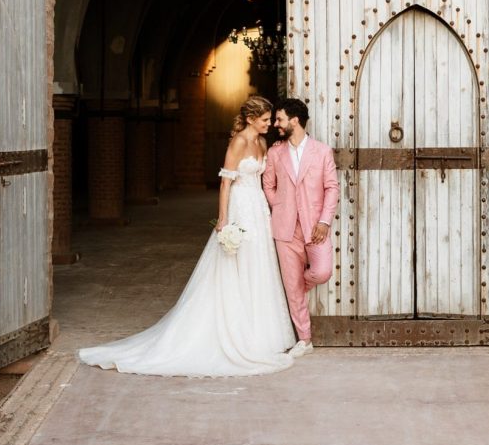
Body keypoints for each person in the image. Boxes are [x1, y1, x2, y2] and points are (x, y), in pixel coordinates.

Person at [78, 96, 296, 376]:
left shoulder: (263, 143)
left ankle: (261, 333)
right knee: (236, 267)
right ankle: (236, 332)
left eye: (269, 119)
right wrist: (224, 219)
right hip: (240, 206)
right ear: (252, 119)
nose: (269, 123)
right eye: (265, 119)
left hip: (257, 208)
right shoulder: (239, 142)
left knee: (259, 265)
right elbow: (226, 183)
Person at [263, 98, 339, 357]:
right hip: (285, 229)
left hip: (315, 227)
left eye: (280, 119)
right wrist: (281, 206)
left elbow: (332, 188)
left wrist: (324, 220)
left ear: (294, 121)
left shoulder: (322, 151)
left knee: (322, 272)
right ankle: (304, 339)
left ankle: (294, 287)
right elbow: (268, 185)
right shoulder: (274, 152)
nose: (276, 124)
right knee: (292, 286)